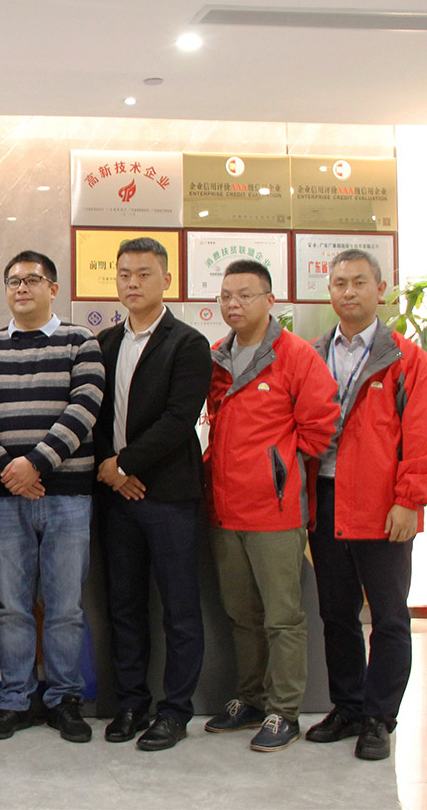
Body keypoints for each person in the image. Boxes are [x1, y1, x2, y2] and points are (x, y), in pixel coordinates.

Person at [203, 257, 339, 752]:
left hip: (275, 513)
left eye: (245, 295)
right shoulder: (217, 357)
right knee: (241, 614)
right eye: (226, 296)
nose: (233, 304)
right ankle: (251, 698)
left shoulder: (296, 355)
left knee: (282, 616)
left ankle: (284, 710)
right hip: (224, 509)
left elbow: (322, 427)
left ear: (269, 300)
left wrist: (275, 467)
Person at [0, 250, 104, 743]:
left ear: (53, 288)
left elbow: (85, 406)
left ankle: (65, 699)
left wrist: (36, 464)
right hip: (6, 499)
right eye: (13, 281)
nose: (22, 288)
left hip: (68, 496)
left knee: (65, 606)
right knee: (13, 606)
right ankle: (16, 699)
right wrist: (10, 471)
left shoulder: (81, 341)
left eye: (32, 279)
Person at [304, 249, 426, 761]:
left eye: (358, 282)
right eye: (339, 283)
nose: (348, 292)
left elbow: (419, 436)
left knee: (390, 617)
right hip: (326, 498)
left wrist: (409, 501)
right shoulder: (311, 354)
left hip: (383, 505)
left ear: (380, 289)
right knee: (336, 613)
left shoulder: (405, 358)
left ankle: (379, 716)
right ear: (330, 291)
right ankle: (348, 707)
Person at [92, 238, 211, 751]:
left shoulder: (188, 343)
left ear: (166, 279)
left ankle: (176, 710)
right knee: (124, 607)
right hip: (117, 498)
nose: (132, 283)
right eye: (124, 274)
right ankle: (131, 703)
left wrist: (126, 464)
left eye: (143, 274)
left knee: (180, 609)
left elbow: (178, 420)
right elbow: (93, 414)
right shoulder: (104, 343)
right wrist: (110, 468)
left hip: (168, 498)